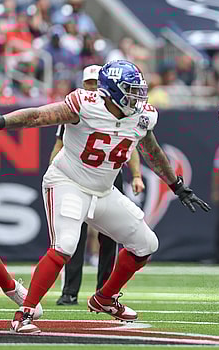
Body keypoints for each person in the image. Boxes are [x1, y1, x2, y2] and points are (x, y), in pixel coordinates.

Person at [4, 59, 210, 334]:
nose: (137, 96)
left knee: (146, 243)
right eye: (130, 89)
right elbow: (37, 116)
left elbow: (153, 151)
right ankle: (24, 314)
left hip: (103, 190)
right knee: (65, 244)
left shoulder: (140, 115)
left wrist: (177, 185)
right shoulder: (85, 104)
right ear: (112, 89)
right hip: (68, 181)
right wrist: (2, 121)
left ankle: (105, 297)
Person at [50, 65, 145, 306]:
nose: (93, 87)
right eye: (89, 83)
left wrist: (136, 175)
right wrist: (55, 175)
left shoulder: (124, 110)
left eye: (96, 82)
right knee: (73, 234)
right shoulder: (78, 108)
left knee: (110, 235)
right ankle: (70, 290)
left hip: (109, 175)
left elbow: (132, 147)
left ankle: (105, 291)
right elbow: (60, 145)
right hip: (77, 176)